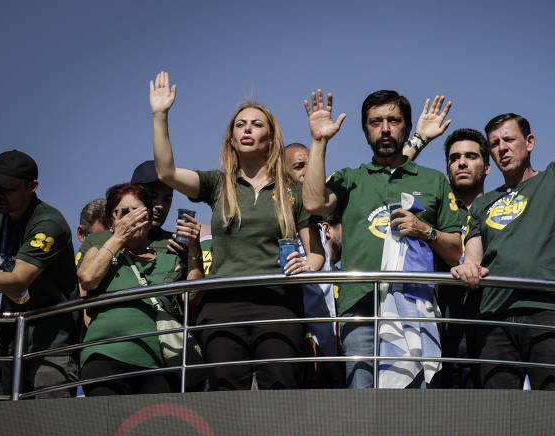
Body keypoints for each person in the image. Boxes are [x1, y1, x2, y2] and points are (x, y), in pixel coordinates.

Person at [451, 44, 555, 390]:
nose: (501, 149)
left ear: (530, 142)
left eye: (509, 140)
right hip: (493, 316)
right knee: (498, 413)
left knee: (552, 407)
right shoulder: (484, 203)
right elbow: (474, 255)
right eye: (494, 144)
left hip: (546, 310)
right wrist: (468, 267)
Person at [149, 71, 323, 390]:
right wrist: (160, 115)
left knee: (281, 388)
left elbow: (316, 255)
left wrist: (306, 265)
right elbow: (167, 171)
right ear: (231, 138)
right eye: (240, 125)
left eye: (257, 124)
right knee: (225, 391)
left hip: (278, 303)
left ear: (271, 138)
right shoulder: (218, 184)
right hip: (222, 306)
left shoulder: (293, 193)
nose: (247, 129)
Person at [303, 89, 462, 388]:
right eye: (376, 122)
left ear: (407, 126)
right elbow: (313, 203)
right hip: (360, 307)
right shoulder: (351, 179)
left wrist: (425, 230)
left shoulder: (433, 180)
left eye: (393, 120)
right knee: (361, 404)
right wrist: (318, 142)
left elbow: (455, 251)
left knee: (417, 406)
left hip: (416, 305)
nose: (385, 128)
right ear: (365, 131)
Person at [76, 184, 203, 395]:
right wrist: (119, 238)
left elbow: (191, 299)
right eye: (124, 213)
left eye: (138, 211)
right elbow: (88, 278)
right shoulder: (98, 251)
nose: (132, 218)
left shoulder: (169, 260)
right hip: (105, 357)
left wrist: (194, 248)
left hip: (157, 363)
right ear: (111, 222)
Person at [0, 149, 79, 398]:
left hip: (52, 348)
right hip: (10, 342)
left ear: (32, 186)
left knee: (50, 429)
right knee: (9, 431)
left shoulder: (49, 222)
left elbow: (18, 281)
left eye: (7, 188)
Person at [432, 128, 490, 388]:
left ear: (487, 167)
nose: (462, 162)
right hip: (441, 324)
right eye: (454, 158)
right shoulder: (433, 212)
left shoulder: (503, 209)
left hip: (491, 324)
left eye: (471, 156)